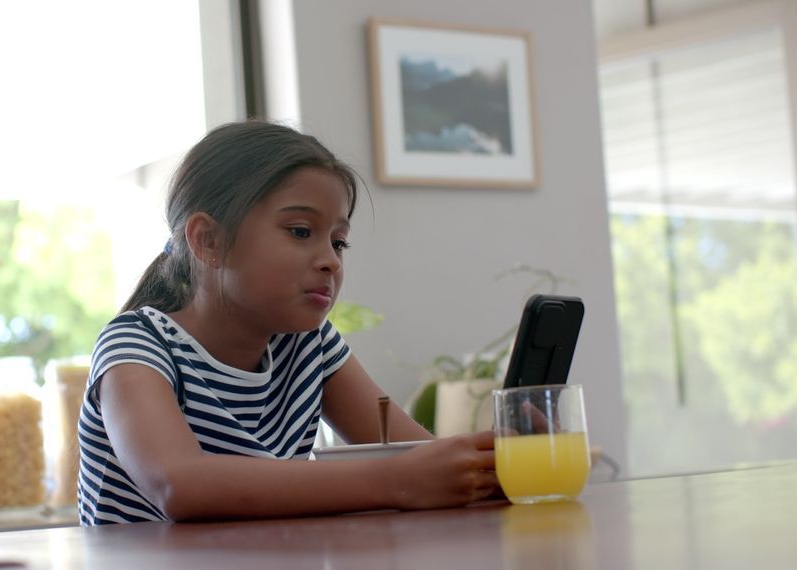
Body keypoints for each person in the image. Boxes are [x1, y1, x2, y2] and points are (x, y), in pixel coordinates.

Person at [77, 120, 497, 525]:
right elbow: (177, 484)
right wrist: (397, 481)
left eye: (339, 241)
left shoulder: (309, 345)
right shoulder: (137, 346)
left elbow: (412, 456)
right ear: (209, 241)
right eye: (300, 231)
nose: (331, 260)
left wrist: (502, 461)